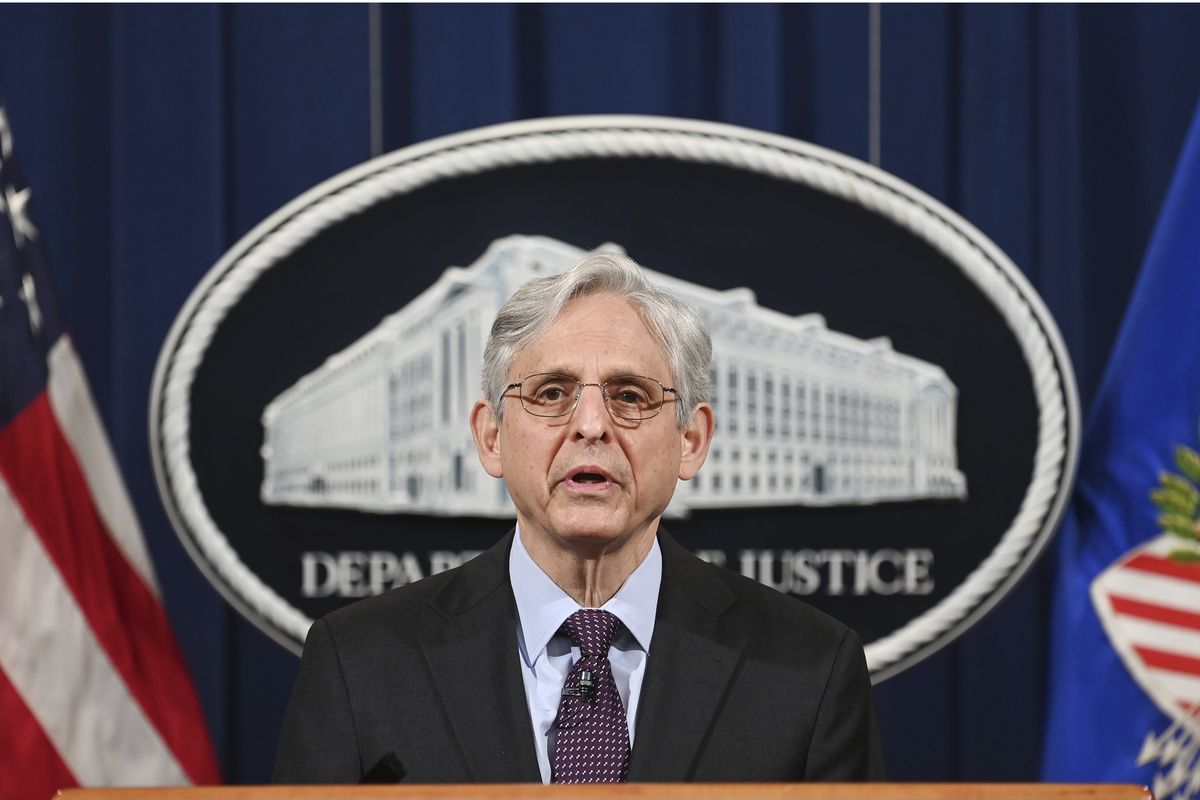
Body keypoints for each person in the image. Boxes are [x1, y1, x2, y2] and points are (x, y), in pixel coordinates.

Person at [273, 252, 885, 783]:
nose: (591, 426)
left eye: (629, 396)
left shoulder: (811, 668)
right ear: (491, 437)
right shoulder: (359, 664)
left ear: (691, 441)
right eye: (550, 393)